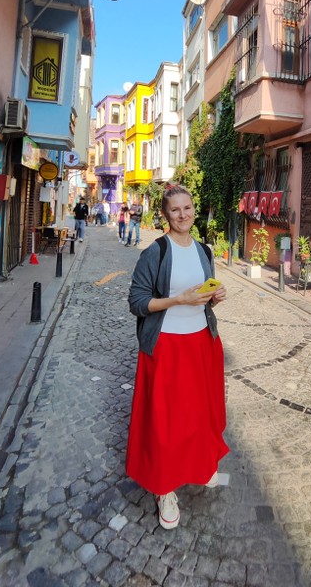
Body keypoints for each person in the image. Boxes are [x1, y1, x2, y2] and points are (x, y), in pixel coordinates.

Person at [126, 184, 229, 530]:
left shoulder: (204, 250)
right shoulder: (155, 252)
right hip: (167, 345)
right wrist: (178, 300)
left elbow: (203, 293)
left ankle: (200, 465)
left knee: (199, 414)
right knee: (165, 422)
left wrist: (214, 295)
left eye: (187, 208)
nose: (183, 215)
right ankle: (164, 488)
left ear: (193, 210)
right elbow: (137, 302)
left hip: (201, 341)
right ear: (165, 214)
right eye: (175, 210)